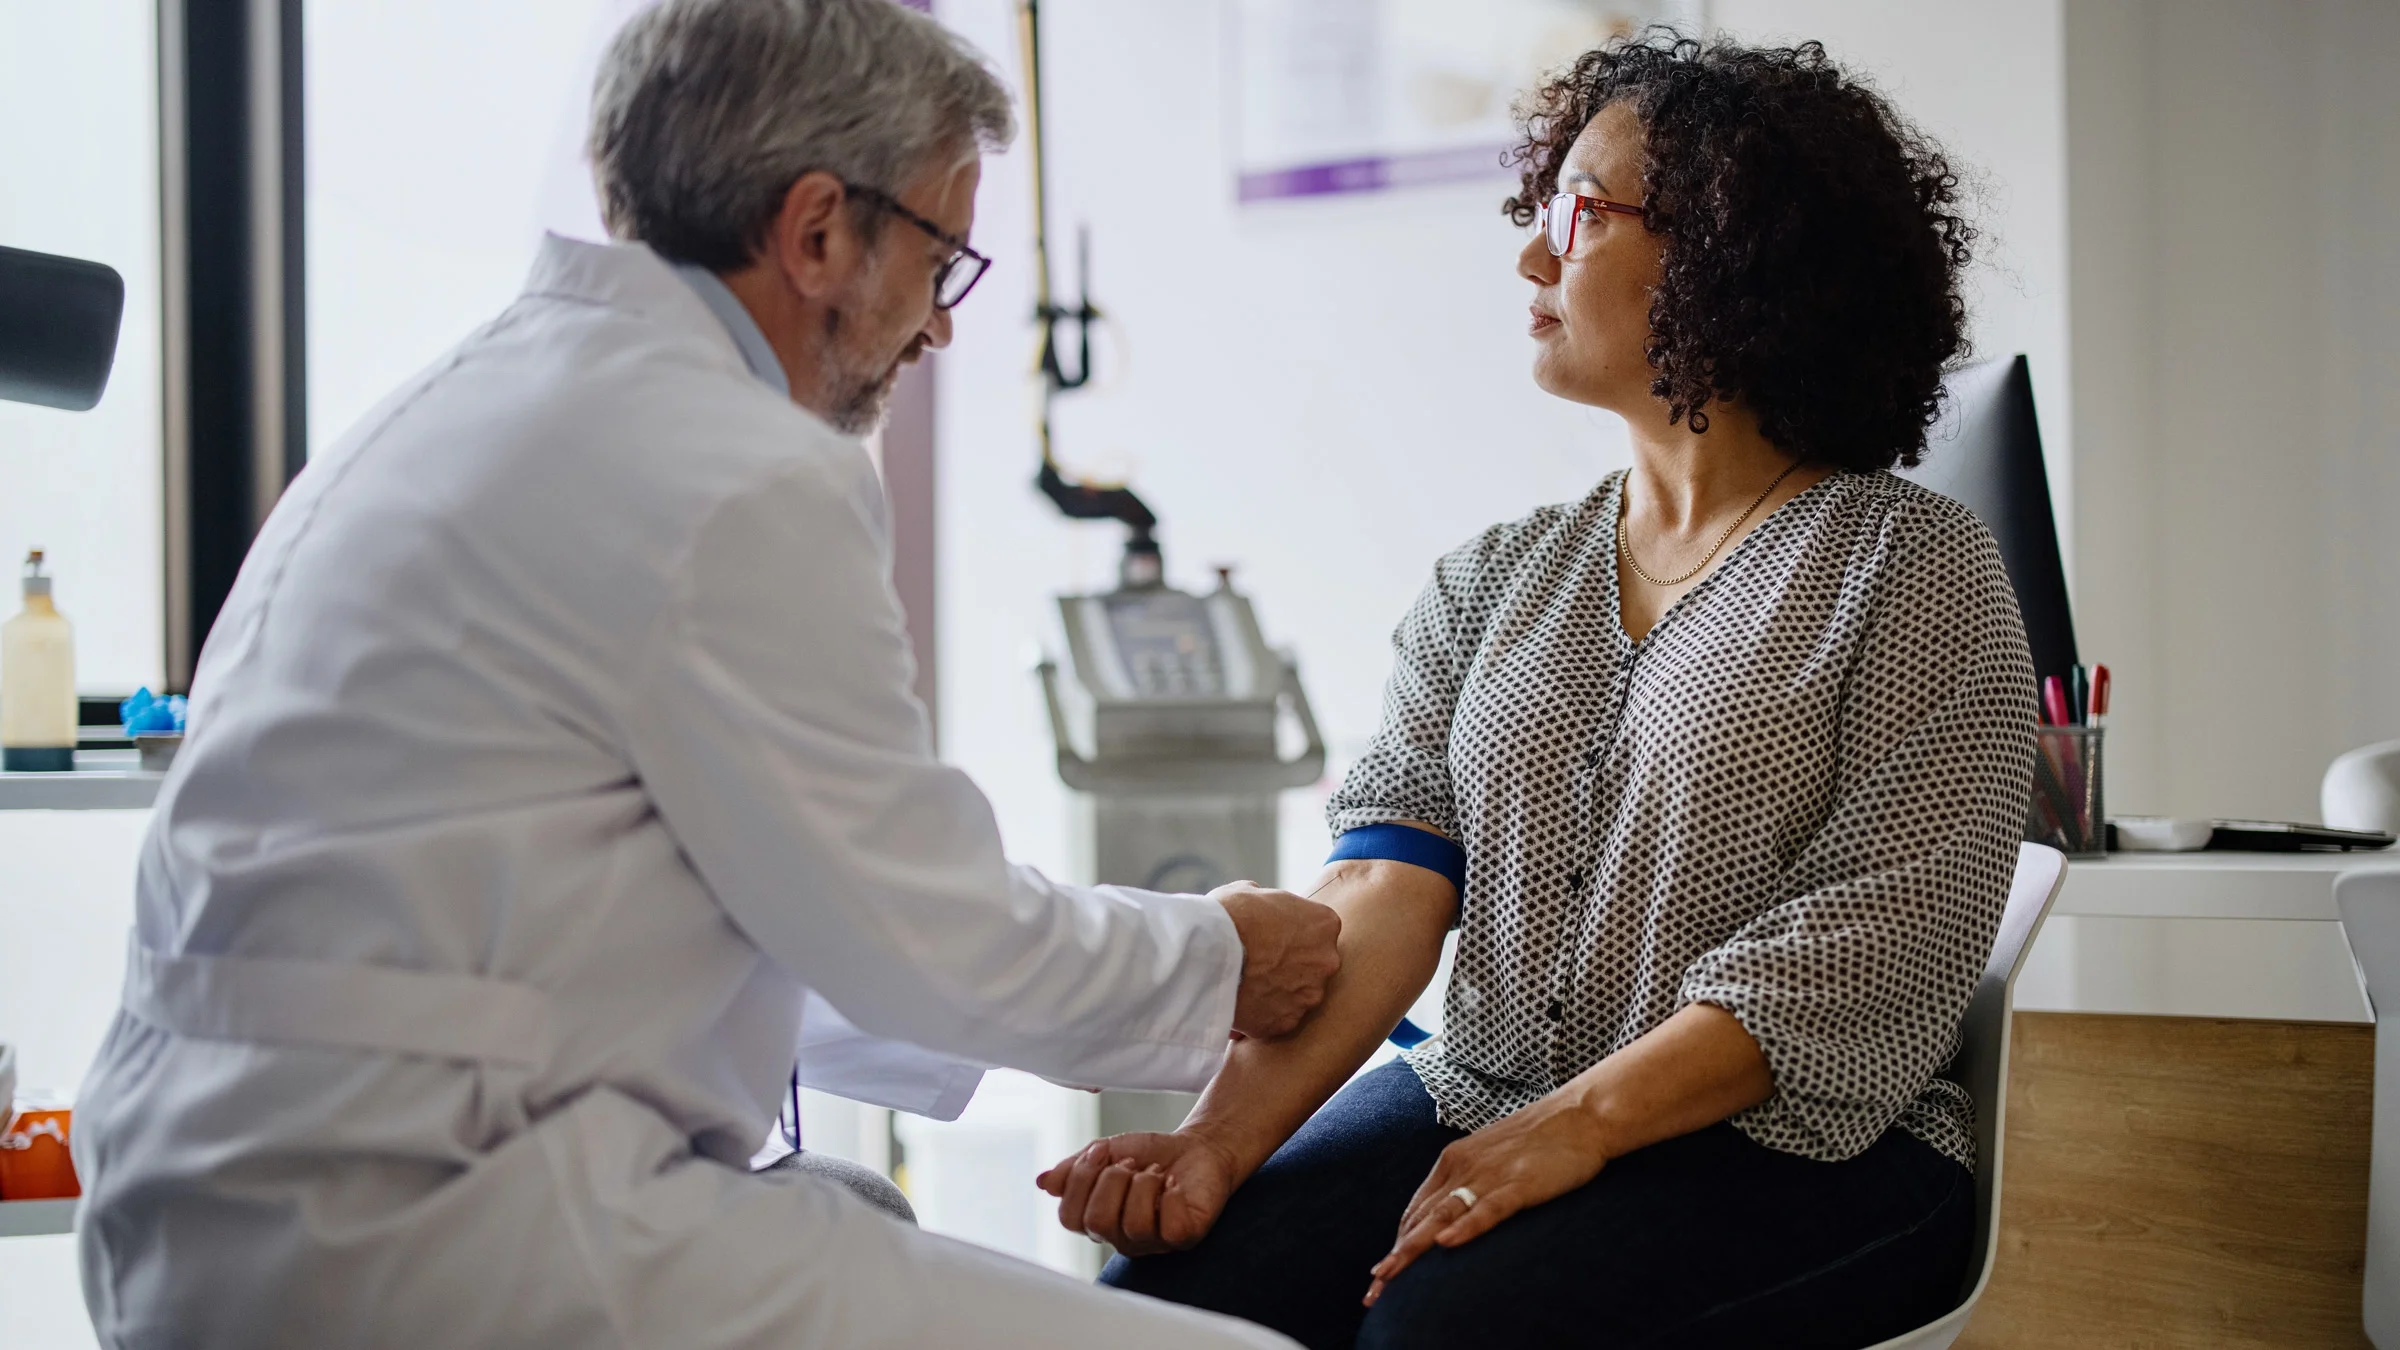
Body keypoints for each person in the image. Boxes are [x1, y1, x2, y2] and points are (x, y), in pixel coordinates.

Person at [70, 2, 1336, 1347]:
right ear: (815, 233)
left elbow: (721, 917)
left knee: (859, 1212)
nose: (942, 326)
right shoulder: (736, 473)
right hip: (424, 1224)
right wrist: (1222, 960)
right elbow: (937, 941)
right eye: (943, 256)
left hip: (211, 1201)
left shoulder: (467, 400)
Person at [1041, 30, 2037, 1350]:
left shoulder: (1912, 567)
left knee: (1447, 1331)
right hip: (1485, 1088)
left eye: (1577, 214)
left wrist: (1578, 1123)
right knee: (1162, 1307)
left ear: (1730, 248)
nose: (1530, 256)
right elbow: (1384, 893)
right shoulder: (1492, 580)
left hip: (1809, 1145)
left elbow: (1863, 947)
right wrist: (1216, 1142)